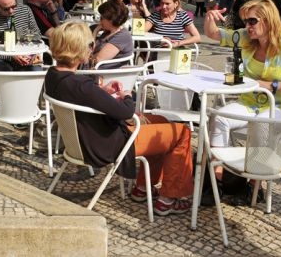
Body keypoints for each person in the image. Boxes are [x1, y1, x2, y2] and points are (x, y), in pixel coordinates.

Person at [45, 21, 194, 216]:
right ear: (79, 49)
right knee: (181, 132)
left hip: (83, 141)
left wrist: (103, 93)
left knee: (161, 121)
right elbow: (125, 111)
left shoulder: (53, 76)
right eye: (91, 45)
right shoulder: (82, 86)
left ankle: (143, 187)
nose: (93, 49)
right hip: (108, 145)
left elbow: (87, 98)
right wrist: (126, 94)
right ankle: (169, 199)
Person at [205, 0, 281, 144]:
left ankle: (266, 166)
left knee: (261, 126)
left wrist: (271, 85)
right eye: (246, 21)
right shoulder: (245, 36)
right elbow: (213, 34)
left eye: (252, 21)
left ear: (268, 20)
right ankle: (219, 165)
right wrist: (209, 17)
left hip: (280, 106)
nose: (247, 26)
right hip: (248, 104)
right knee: (219, 118)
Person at [89, 0, 134, 69]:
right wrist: (96, 31)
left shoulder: (122, 37)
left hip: (104, 76)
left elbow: (97, 60)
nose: (99, 21)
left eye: (102, 18)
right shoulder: (108, 31)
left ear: (111, 19)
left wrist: (95, 32)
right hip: (95, 72)